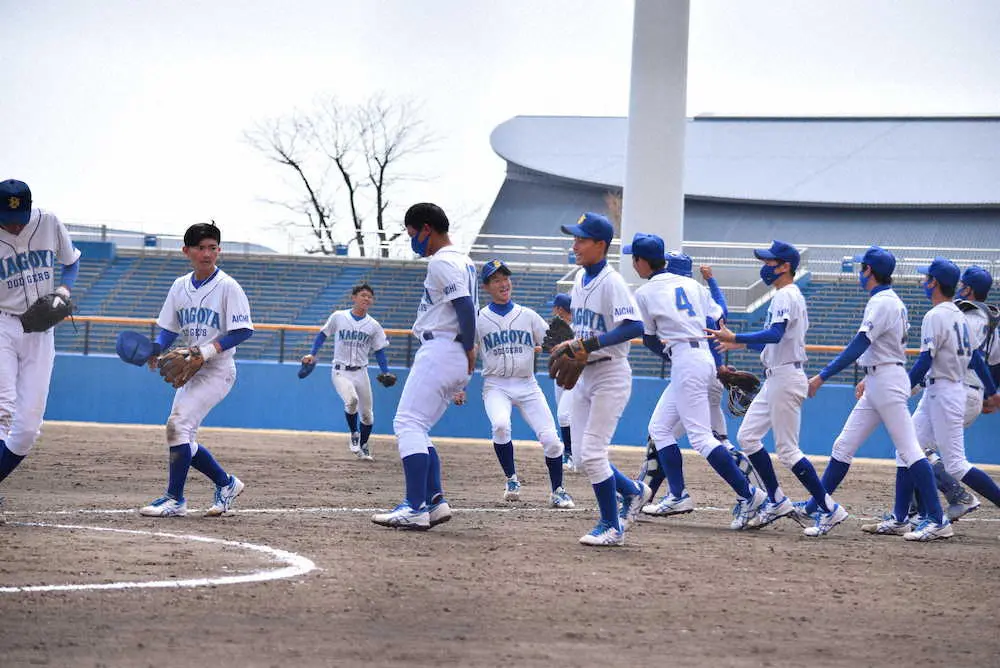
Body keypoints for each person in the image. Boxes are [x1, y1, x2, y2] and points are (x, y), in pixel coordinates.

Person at [803, 246, 951, 541]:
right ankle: (817, 506)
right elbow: (870, 348)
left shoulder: (882, 302)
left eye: (862, 268)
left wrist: (822, 375)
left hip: (886, 379)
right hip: (878, 378)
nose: (860, 273)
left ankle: (937, 519)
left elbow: (859, 343)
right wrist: (868, 377)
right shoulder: (886, 301)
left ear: (869, 270)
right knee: (843, 445)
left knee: (909, 450)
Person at [626, 234, 766, 530]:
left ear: (641, 261)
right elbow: (718, 318)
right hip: (702, 356)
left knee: (702, 438)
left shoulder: (645, 292)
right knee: (660, 429)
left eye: (634, 258)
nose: (633, 263)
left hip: (684, 360)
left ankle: (749, 494)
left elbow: (649, 338)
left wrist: (671, 355)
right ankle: (677, 494)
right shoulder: (692, 285)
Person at [708, 240, 848, 536]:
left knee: (787, 450)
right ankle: (777, 500)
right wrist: (738, 342)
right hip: (777, 377)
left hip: (785, 378)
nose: (766, 267)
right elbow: (775, 339)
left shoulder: (786, 295)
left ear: (785, 266)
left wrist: (737, 335)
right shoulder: (786, 296)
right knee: (748, 437)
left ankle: (830, 509)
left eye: (771, 262)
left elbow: (774, 333)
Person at [372, 203, 476, 531]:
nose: (412, 240)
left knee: (408, 424)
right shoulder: (464, 260)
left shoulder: (443, 262)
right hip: (452, 351)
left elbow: (465, 307)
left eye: (413, 233)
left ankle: (414, 506)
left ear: (427, 229)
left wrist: (470, 347)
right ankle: (434, 500)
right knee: (420, 427)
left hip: (443, 347)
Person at [140, 221, 254, 517]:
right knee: (181, 434)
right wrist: (156, 347)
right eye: (201, 248)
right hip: (192, 368)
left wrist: (205, 352)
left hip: (218, 369)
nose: (207, 254)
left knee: (178, 427)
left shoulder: (228, 286)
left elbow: (242, 331)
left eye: (212, 248)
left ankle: (174, 499)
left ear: (219, 250)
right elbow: (168, 328)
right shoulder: (180, 286)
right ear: (186, 251)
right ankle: (226, 484)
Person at [555, 212, 651, 547]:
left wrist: (589, 344)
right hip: (586, 372)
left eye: (581, 239)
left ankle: (612, 526)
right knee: (582, 457)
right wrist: (574, 342)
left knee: (594, 454)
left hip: (610, 373)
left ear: (600, 245)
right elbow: (585, 331)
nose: (575, 245)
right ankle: (635, 491)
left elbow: (634, 326)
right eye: (575, 238)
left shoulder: (611, 282)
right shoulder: (580, 279)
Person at [893, 258, 1000, 538]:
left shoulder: (954, 315)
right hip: (960, 390)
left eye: (964, 284)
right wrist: (991, 392)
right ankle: (906, 515)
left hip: (953, 388)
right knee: (910, 449)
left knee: (951, 462)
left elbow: (935, 360)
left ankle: (947, 504)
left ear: (967, 289)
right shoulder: (989, 322)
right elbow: (985, 360)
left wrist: (903, 389)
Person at [0, 180, 81, 523]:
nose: (15, 223)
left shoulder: (48, 222)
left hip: (41, 330)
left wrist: (62, 289)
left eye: (19, 215)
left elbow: (71, 262)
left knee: (28, 427)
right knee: (4, 409)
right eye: (7, 216)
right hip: (2, 323)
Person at [477, 259, 574, 509]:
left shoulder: (528, 315)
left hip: (527, 384)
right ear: (486, 286)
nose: (503, 283)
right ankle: (511, 479)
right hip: (495, 384)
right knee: (500, 425)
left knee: (552, 441)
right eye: (496, 279)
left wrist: (568, 347)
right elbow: (465, 351)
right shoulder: (478, 319)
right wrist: (456, 386)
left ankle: (558, 491)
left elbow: (556, 341)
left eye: (505, 278)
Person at [301, 283, 391, 461]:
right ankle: (354, 433)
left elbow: (379, 350)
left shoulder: (373, 325)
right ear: (354, 297)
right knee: (351, 400)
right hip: (340, 370)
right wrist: (312, 353)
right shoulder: (339, 316)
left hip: (361, 372)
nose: (366, 299)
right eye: (363, 295)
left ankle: (364, 446)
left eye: (369, 297)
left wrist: (385, 371)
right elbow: (323, 334)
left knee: (367, 415)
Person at [549, 293, 576, 472]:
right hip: (560, 376)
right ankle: (577, 454)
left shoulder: (576, 328)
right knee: (567, 417)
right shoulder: (557, 328)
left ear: (559, 309)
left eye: (555, 307)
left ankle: (569, 454)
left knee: (564, 416)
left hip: (575, 376)